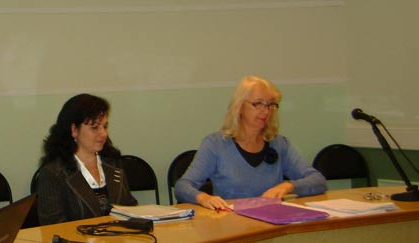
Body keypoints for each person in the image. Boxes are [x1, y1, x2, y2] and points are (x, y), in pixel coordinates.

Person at [174, 75, 326, 210]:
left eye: (270, 105)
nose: (266, 111)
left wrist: (289, 186)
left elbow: (318, 181)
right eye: (258, 104)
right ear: (239, 107)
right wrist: (204, 198)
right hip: (231, 224)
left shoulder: (279, 144)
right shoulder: (216, 144)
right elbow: (183, 186)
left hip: (272, 223)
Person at [36, 93, 138, 224]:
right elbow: (52, 227)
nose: (103, 133)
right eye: (94, 127)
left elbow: (130, 209)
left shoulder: (113, 163)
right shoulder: (53, 173)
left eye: (105, 126)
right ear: (74, 130)